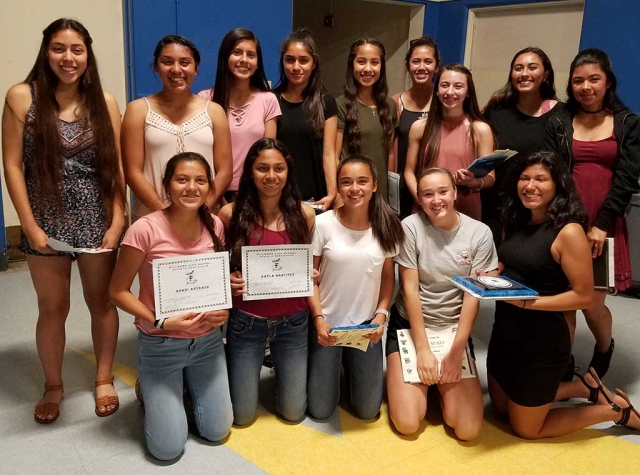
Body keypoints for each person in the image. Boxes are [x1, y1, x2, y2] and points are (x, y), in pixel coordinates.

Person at [2, 18, 124, 423]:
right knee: (52, 307)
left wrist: (119, 217)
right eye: (59, 48)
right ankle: (53, 385)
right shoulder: (22, 96)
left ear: (87, 55)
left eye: (76, 50)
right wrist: (30, 225)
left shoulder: (104, 102)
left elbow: (114, 167)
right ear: (46, 51)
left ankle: (103, 377)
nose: (68, 58)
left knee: (101, 302)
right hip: (45, 222)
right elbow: (13, 165)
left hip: (96, 219)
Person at [487, 151, 640, 438]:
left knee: (526, 429)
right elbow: (513, 261)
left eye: (541, 179)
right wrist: (492, 274)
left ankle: (617, 410)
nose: (530, 186)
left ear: (558, 184)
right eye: (524, 178)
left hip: (542, 339)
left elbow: (583, 297)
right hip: (504, 331)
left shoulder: (568, 231)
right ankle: (585, 387)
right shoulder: (517, 218)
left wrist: (526, 302)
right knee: (501, 409)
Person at [109, 152, 233, 460]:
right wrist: (160, 321)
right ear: (167, 185)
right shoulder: (144, 229)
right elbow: (117, 291)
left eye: (200, 181)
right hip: (160, 343)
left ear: (209, 188)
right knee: (166, 448)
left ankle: (185, 383)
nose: (191, 188)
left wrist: (223, 310)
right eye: (182, 179)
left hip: (207, 342)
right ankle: (149, 386)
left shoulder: (215, 225)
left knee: (218, 430)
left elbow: (215, 282)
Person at [546, 48, 640, 378]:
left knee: (592, 300)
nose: (585, 86)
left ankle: (603, 348)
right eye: (578, 81)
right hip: (563, 219)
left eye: (593, 79)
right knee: (564, 297)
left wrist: (601, 225)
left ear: (607, 82)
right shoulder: (559, 121)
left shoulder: (627, 122)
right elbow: (552, 172)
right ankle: (562, 360)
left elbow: (627, 177)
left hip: (605, 222)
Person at [385, 167, 498, 440]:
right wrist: (423, 351)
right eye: (428, 194)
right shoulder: (410, 227)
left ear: (455, 193)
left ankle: (440, 385)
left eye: (443, 191)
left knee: (468, 430)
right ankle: (426, 381)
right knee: (408, 423)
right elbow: (409, 289)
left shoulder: (479, 233)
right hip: (410, 326)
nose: (436, 200)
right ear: (420, 199)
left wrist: (457, 350)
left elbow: (473, 295)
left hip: (452, 328)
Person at [219, 138, 316, 426]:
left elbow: (309, 262)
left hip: (293, 322)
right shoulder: (230, 214)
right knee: (242, 417)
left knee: (293, 413)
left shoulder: (305, 214)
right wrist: (227, 279)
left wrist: (309, 273)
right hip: (246, 321)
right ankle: (231, 371)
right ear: (250, 172)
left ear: (288, 172)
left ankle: (281, 374)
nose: (271, 177)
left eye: (278, 168)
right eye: (262, 168)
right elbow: (216, 265)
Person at [307, 156, 402, 420]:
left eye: (362, 181)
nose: (354, 189)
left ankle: (351, 364)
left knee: (368, 410)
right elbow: (310, 277)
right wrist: (318, 319)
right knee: (320, 410)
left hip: (365, 326)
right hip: (327, 324)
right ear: (337, 187)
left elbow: (387, 277)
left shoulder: (388, 225)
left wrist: (381, 315)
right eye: (346, 182)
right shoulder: (324, 223)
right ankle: (336, 364)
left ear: (374, 185)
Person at [122, 35, 232, 220]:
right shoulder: (138, 110)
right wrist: (164, 214)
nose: (176, 69)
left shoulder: (214, 111)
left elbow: (225, 171)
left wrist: (202, 210)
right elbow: (132, 172)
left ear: (196, 68)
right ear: (156, 67)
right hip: (153, 218)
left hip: (203, 218)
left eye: (185, 62)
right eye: (167, 62)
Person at [483, 47, 563, 247]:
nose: (524, 73)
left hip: (539, 210)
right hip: (495, 208)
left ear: (545, 74)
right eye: (518, 68)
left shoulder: (561, 115)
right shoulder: (496, 111)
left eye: (532, 67)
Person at [404, 64, 494, 221]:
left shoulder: (480, 129)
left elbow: (490, 177)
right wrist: (423, 200)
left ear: (467, 92)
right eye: (444, 85)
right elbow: (409, 172)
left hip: (465, 211)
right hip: (426, 210)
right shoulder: (420, 127)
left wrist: (473, 182)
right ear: (437, 90)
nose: (450, 92)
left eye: (458, 86)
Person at [199, 28, 280, 201]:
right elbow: (201, 152)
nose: (244, 60)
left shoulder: (268, 100)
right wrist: (216, 196)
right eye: (237, 53)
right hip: (211, 193)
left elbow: (267, 155)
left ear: (258, 63)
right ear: (225, 57)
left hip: (254, 194)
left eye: (251, 55)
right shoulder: (205, 99)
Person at [274, 29, 338, 211]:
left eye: (303, 60)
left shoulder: (326, 102)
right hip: (279, 195)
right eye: (290, 59)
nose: (296, 67)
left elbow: (329, 153)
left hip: (316, 197)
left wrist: (332, 193)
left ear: (314, 64)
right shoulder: (271, 100)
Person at [335, 38, 397, 201]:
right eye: (361, 62)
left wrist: (390, 193)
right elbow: (334, 156)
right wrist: (337, 194)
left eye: (374, 62)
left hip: (381, 193)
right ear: (352, 65)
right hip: (352, 193)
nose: (368, 69)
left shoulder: (390, 105)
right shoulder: (340, 104)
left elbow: (389, 153)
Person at [393, 36, 441, 218]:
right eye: (416, 62)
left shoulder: (445, 101)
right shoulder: (397, 102)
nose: (421, 67)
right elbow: (390, 148)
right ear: (408, 65)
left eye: (428, 62)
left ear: (436, 67)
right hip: (406, 185)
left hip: (438, 188)